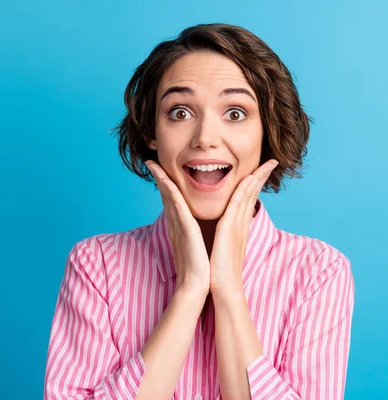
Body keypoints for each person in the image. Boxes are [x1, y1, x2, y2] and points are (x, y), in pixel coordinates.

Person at [43, 23, 355, 400]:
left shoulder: (318, 272)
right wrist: (190, 290)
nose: (205, 137)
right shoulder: (97, 266)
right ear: (150, 133)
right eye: (179, 112)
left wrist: (227, 289)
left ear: (267, 132)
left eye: (236, 113)